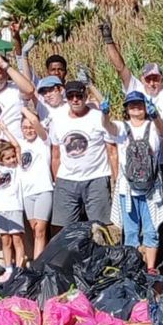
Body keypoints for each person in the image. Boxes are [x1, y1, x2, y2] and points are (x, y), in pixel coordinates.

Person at [103, 22, 163, 268]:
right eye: (148, 78)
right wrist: (108, 38)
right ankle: (134, 261)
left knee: (160, 212)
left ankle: (159, 261)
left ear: (161, 79)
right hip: (136, 166)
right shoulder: (136, 90)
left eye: (156, 77)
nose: (152, 82)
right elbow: (120, 68)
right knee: (135, 216)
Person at [50, 79, 118, 230]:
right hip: (66, 180)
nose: (75, 99)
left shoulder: (98, 117)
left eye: (79, 96)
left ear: (85, 97)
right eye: (71, 96)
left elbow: (112, 150)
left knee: (99, 227)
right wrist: (57, 180)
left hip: (96, 178)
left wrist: (116, 179)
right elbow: (56, 154)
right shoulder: (58, 119)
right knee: (64, 229)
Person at [113, 91, 163, 273]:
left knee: (151, 231)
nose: (136, 107)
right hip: (127, 188)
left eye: (139, 104)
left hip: (151, 188)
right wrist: (104, 114)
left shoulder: (152, 127)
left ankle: (150, 268)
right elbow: (108, 127)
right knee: (130, 232)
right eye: (131, 104)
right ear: (126, 108)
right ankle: (133, 267)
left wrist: (156, 115)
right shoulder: (121, 127)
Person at [0, 121, 27, 282]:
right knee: (5, 240)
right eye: (7, 158)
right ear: (1, 159)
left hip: (15, 206)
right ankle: (9, 268)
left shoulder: (17, 168)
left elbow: (16, 146)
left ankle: (20, 269)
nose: (12, 159)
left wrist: (6, 130)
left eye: (12, 157)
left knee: (17, 239)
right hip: (0, 207)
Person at [18, 107, 54, 260]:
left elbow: (34, 120)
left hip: (43, 189)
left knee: (40, 230)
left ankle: (37, 266)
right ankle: (41, 259)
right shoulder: (19, 144)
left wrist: (22, 106)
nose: (29, 130)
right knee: (34, 230)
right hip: (27, 192)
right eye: (25, 127)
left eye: (31, 127)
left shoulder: (43, 141)